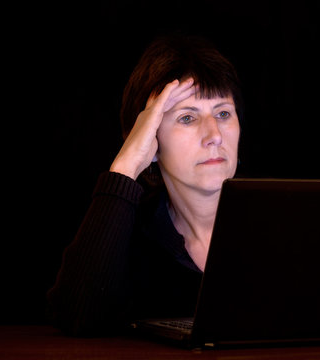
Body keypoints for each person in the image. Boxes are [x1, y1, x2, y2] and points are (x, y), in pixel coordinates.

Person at [47, 33, 244, 336]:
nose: (214, 134)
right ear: (149, 137)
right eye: (188, 118)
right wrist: (125, 166)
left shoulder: (286, 225)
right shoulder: (129, 235)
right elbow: (74, 318)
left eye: (223, 113)